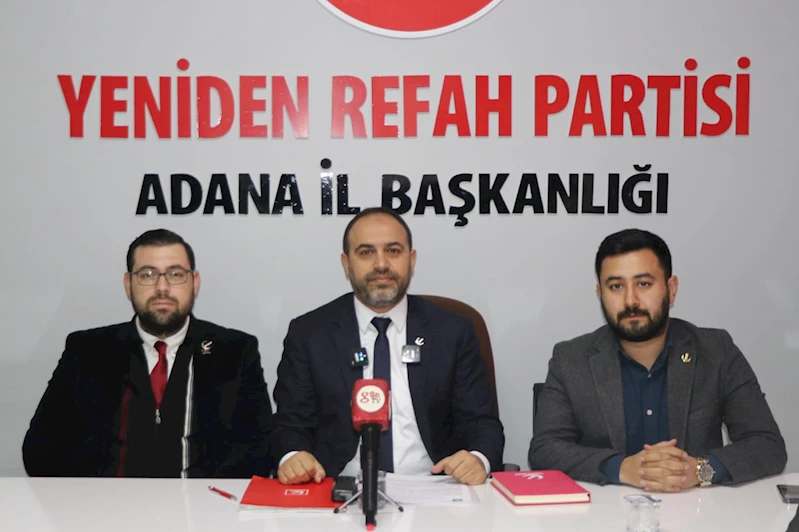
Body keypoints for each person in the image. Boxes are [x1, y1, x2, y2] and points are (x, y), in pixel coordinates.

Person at [529, 228, 786, 491]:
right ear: (600, 293)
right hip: (604, 511)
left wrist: (699, 470)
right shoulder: (571, 360)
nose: (630, 300)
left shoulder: (716, 351)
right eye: (616, 286)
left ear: (671, 289)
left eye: (643, 284)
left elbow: (768, 444)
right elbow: (544, 450)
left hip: (697, 510)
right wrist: (621, 468)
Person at [271, 207, 504, 486]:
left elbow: (482, 422)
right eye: (366, 252)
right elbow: (289, 424)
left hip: (435, 488)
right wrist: (293, 456)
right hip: (338, 487)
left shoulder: (452, 331)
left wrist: (478, 459)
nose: (381, 264)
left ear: (412, 260)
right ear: (346, 264)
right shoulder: (310, 333)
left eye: (393, 251)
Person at [23, 229, 273, 478]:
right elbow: (40, 449)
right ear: (128, 284)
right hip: (108, 501)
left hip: (202, 500)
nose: (162, 287)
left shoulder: (235, 351)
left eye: (176, 274)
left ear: (194, 283)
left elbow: (259, 451)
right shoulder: (87, 351)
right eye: (148, 274)